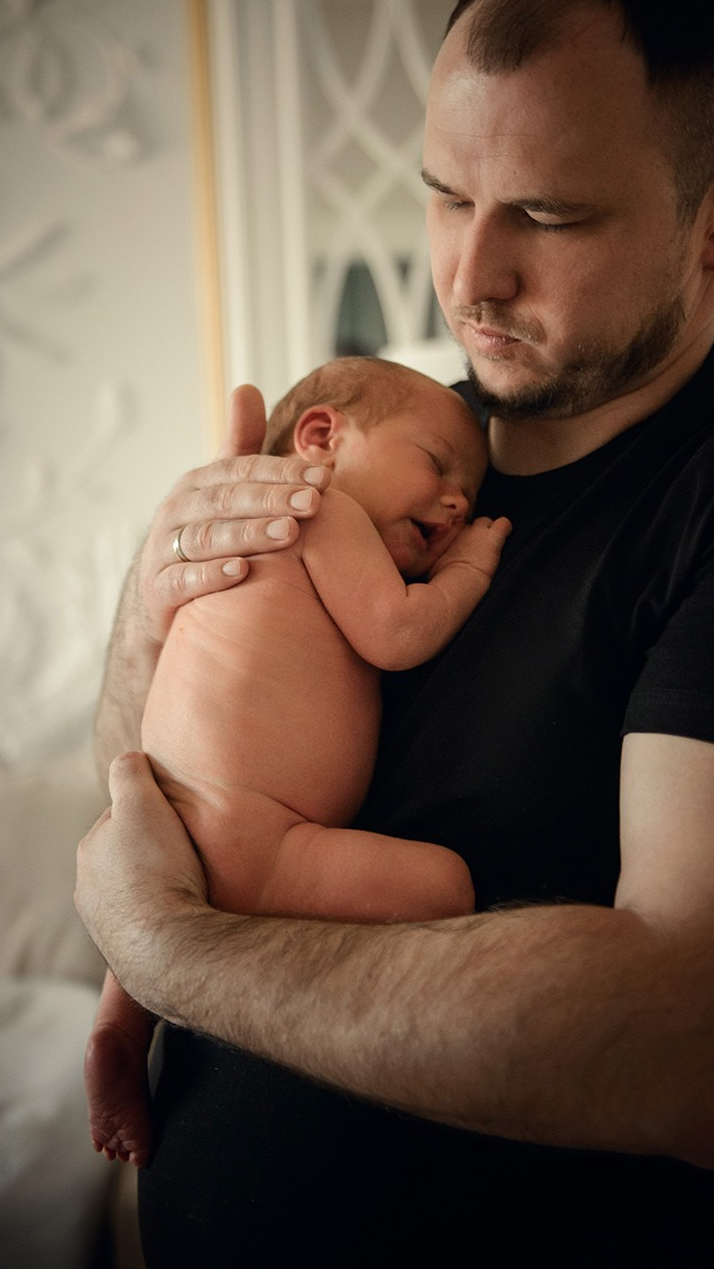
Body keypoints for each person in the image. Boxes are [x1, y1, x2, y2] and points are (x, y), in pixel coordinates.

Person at [75, 0, 714, 1267]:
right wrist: (157, 596)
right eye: (443, 193)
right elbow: (144, 788)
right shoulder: (393, 449)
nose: (468, 278)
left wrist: (168, 954)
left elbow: (708, 1050)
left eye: (545, 212)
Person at [83, 357, 508, 1166]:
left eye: (472, 498)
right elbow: (398, 632)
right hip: (263, 836)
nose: (458, 502)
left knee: (143, 931)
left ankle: (114, 1031)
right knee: (447, 887)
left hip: (164, 818)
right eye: (437, 465)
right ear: (321, 437)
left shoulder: (239, 523)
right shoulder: (315, 505)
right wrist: (467, 569)